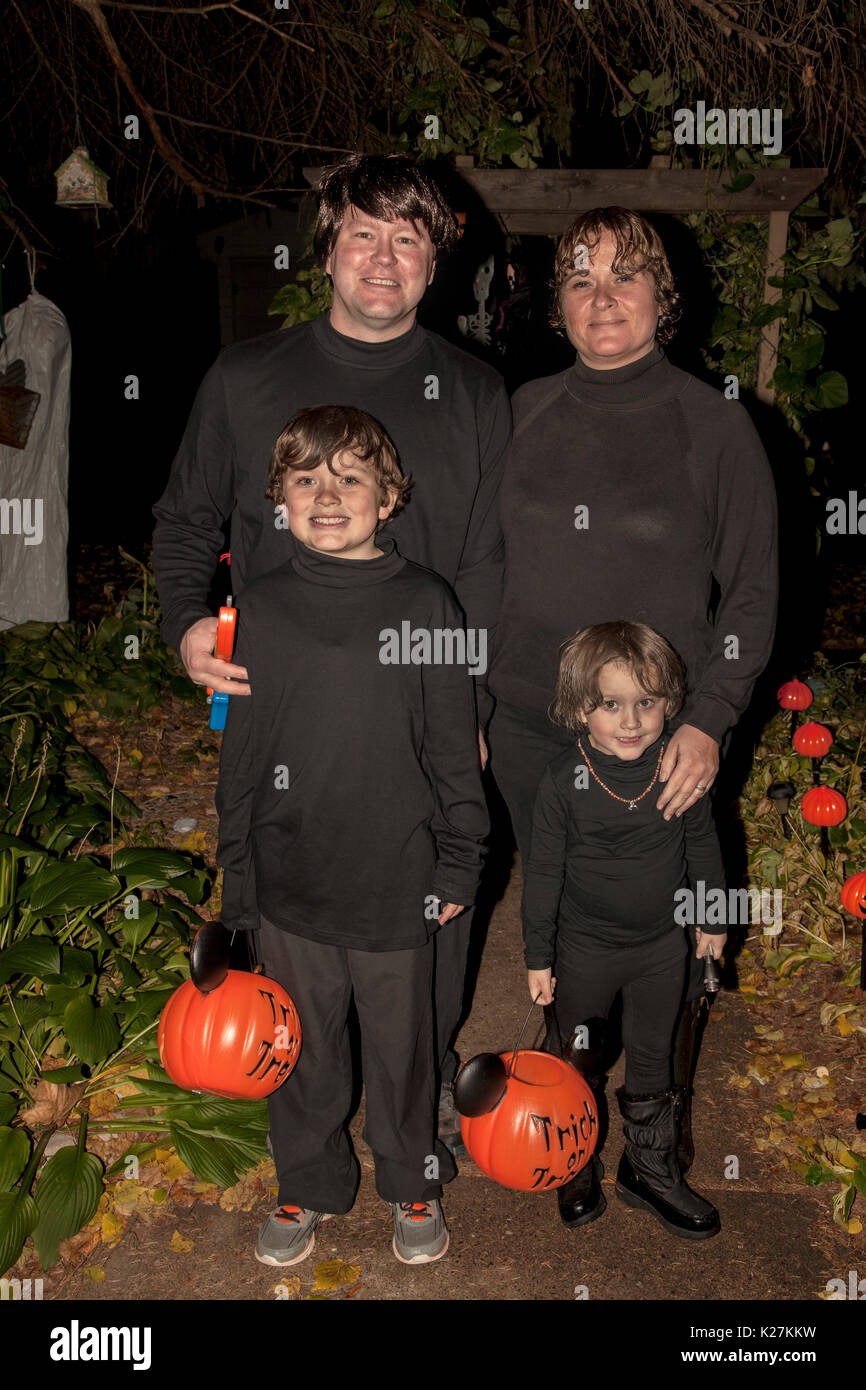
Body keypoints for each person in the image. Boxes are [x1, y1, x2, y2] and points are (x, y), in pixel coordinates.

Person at [152, 153, 511, 1147]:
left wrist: (468, 713)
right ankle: (293, 1095)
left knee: (430, 908)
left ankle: (419, 1084)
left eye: (408, 237)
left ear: (434, 259)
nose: (383, 257)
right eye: (363, 232)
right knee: (282, 907)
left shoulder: (476, 391)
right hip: (281, 707)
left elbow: (482, 567)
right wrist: (187, 620)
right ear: (326, 247)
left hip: (415, 713)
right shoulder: (243, 376)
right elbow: (184, 524)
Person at [488, 205, 778, 1169]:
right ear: (556, 305)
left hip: (662, 735)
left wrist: (709, 719)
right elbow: (481, 567)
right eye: (579, 278)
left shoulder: (715, 424)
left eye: (624, 276)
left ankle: (654, 1134)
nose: (601, 297)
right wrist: (474, 702)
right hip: (531, 723)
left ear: (663, 296)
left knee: (667, 924)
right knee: (565, 910)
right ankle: (562, 1112)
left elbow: (751, 589)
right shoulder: (522, 412)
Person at [215, 405, 489, 1266]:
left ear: (389, 495)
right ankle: (308, 1182)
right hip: (293, 880)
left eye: (350, 478)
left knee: (404, 1049)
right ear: (279, 500)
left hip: (397, 880)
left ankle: (412, 1178)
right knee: (302, 1045)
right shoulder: (260, 608)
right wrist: (238, 882)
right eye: (306, 480)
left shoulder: (426, 603)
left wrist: (461, 857)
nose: (327, 496)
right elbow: (243, 758)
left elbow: (453, 748)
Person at [523, 622, 725, 1238]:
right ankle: (574, 1163)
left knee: (653, 1055)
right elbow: (543, 874)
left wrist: (712, 917)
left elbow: (704, 847)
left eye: (647, 702)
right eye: (611, 704)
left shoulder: (678, 771)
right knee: (578, 1058)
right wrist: (539, 955)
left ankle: (648, 1168)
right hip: (584, 951)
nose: (631, 720)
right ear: (580, 707)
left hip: (662, 949)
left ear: (670, 703)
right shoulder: (563, 781)